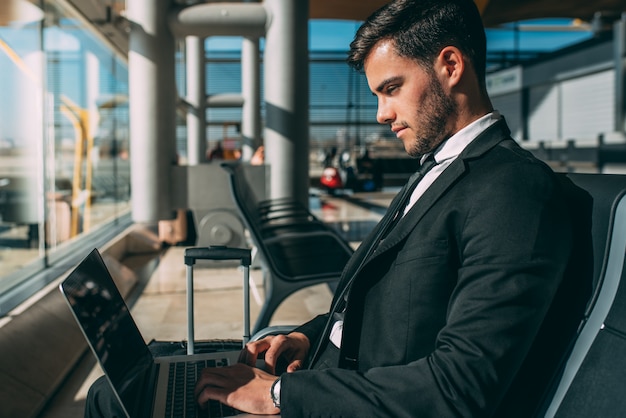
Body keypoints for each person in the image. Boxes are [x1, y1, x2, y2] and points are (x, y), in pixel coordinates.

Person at [85, 0, 592, 416]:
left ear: (451, 66)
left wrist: (279, 396)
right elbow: (396, 308)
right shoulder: (440, 168)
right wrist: (306, 338)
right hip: (327, 378)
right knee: (135, 387)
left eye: (392, 89)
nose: (381, 114)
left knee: (115, 403)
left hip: (339, 401)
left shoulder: (513, 191)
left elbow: (459, 389)